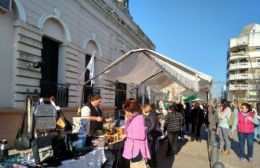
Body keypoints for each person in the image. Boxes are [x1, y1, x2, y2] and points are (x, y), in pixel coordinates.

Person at [123, 99, 150, 168]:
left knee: (137, 165)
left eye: (126, 110)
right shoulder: (132, 118)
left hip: (137, 149)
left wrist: (127, 135)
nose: (125, 112)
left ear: (130, 109)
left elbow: (141, 135)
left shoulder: (138, 118)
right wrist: (127, 120)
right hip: (132, 148)